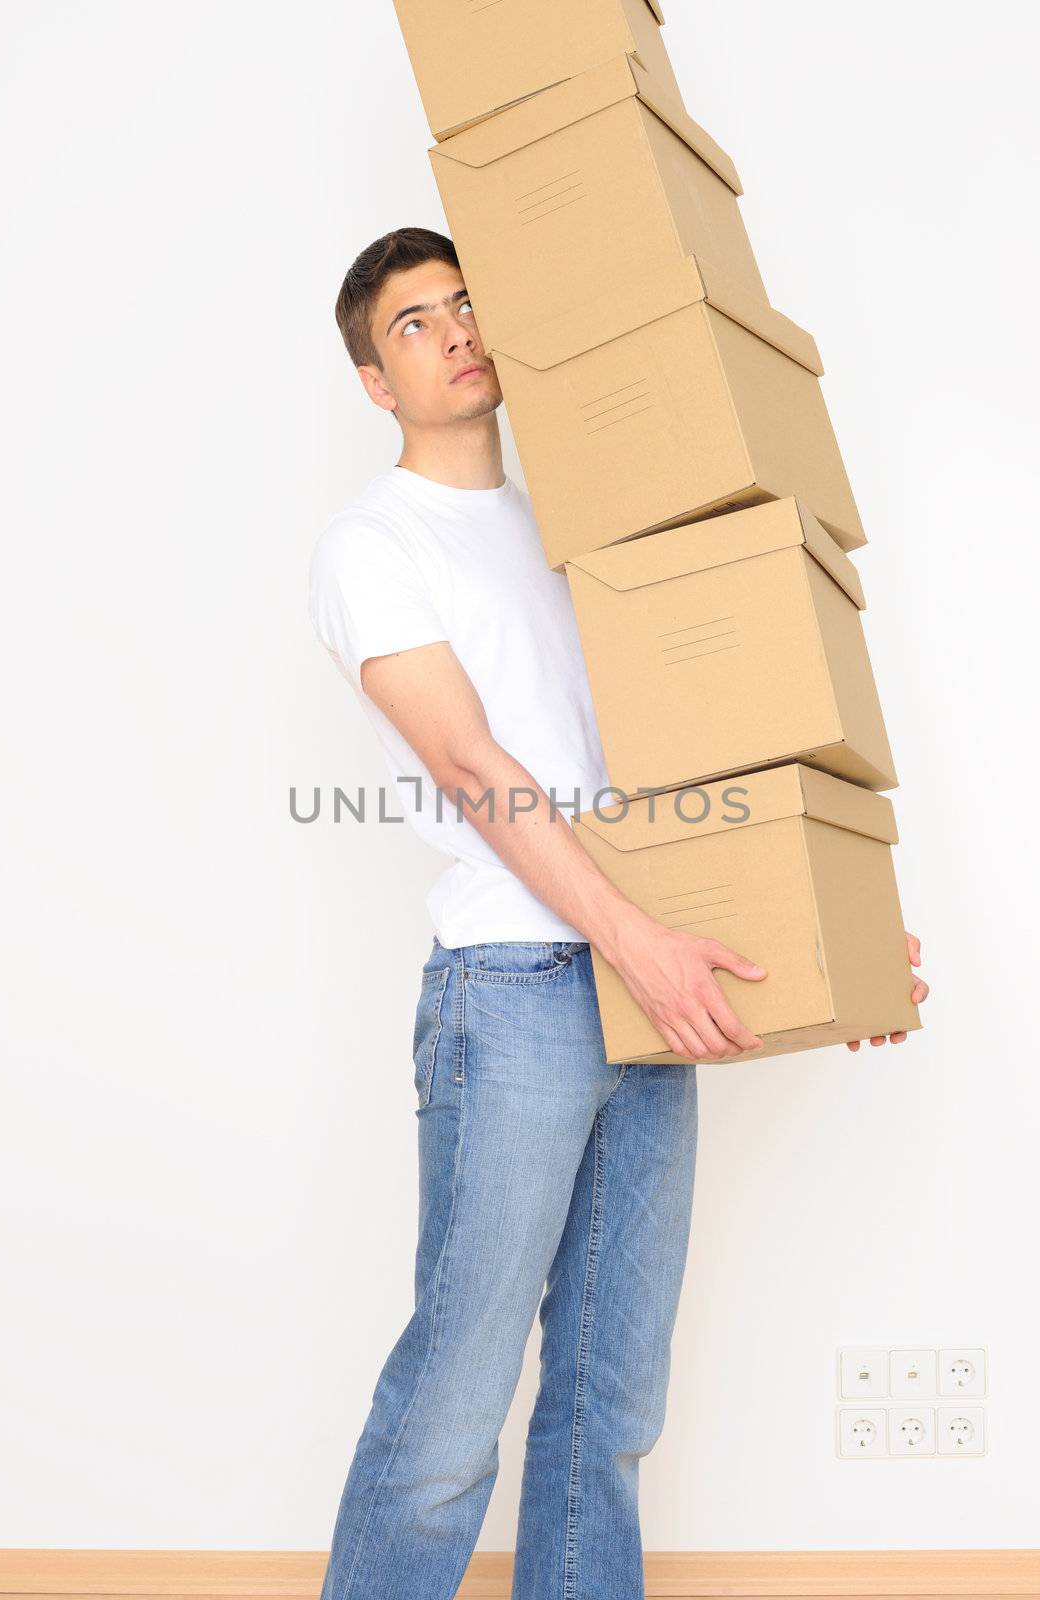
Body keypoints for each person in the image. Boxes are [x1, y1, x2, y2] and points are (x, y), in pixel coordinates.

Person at [307, 227, 930, 1600]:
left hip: (632, 984)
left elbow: (696, 759)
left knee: (610, 1404)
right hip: (518, 991)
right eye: (415, 322)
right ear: (374, 378)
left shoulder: (583, 538)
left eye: (470, 301)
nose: (456, 330)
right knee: (453, 1410)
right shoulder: (374, 545)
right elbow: (477, 771)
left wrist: (835, 939)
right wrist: (634, 942)